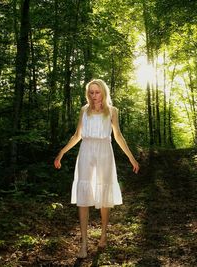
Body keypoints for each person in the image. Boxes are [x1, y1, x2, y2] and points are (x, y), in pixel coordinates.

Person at [54, 79, 139, 258]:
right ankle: (84, 243)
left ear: (104, 92)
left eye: (97, 92)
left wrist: (131, 157)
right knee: (83, 196)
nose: (94, 96)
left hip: (104, 152)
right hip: (86, 151)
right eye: (91, 92)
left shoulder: (113, 111)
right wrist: (61, 152)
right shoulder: (84, 110)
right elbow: (77, 135)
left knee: (104, 195)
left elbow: (118, 136)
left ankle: (103, 235)